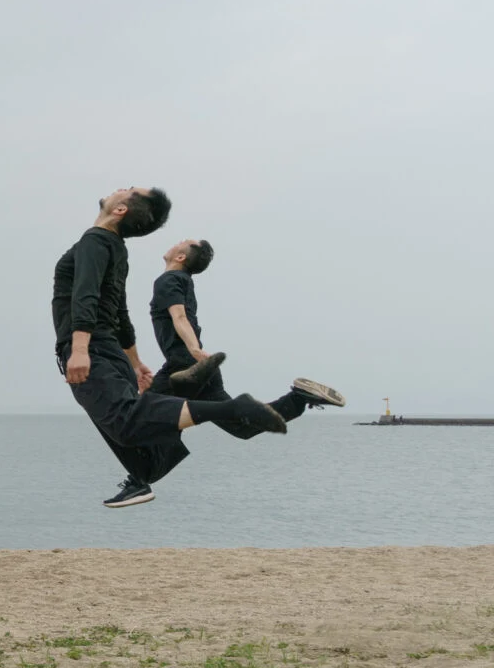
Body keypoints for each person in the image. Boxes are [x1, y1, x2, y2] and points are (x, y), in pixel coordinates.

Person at [53, 188, 286, 510]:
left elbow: (86, 295)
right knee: (128, 433)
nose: (122, 187)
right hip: (108, 349)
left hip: (90, 348)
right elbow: (119, 312)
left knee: (125, 423)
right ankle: (140, 480)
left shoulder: (95, 240)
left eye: (129, 190)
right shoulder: (114, 248)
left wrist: (80, 349)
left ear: (120, 209)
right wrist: (134, 362)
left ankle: (234, 408)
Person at [146, 238, 345, 438]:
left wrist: (194, 349)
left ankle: (146, 467)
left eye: (182, 242)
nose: (176, 242)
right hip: (201, 364)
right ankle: (298, 399)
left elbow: (179, 316)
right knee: (240, 427)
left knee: (138, 416)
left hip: (185, 364)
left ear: (181, 257)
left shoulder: (169, 279)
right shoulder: (182, 280)